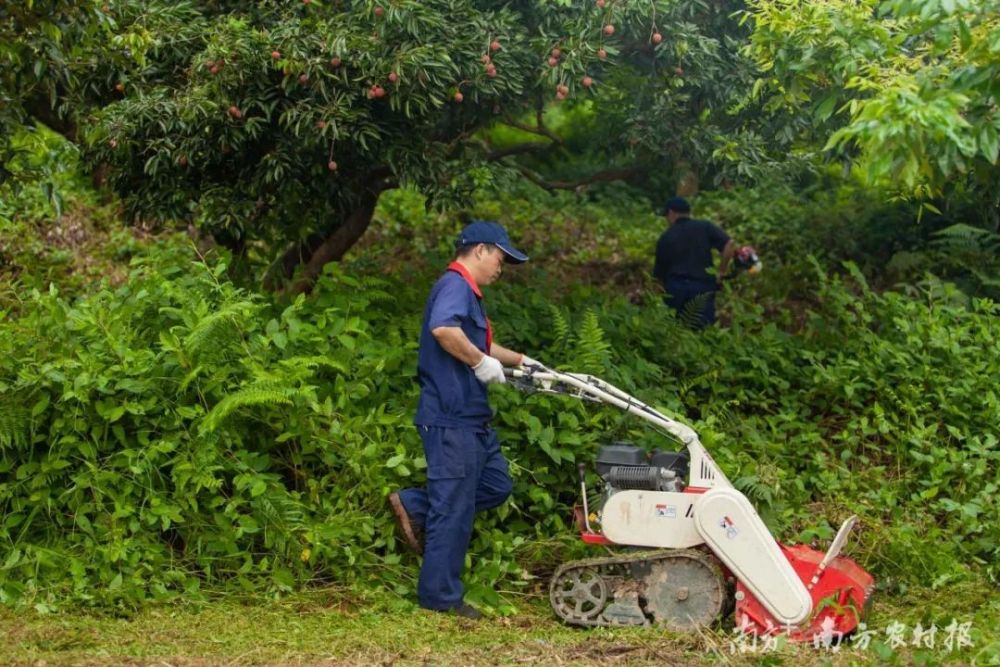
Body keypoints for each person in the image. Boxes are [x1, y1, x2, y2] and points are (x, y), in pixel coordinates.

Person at [388, 220, 542, 620]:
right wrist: (479, 363)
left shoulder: (468, 294)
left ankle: (413, 503)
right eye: (500, 258)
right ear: (480, 250)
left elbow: (481, 342)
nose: (501, 267)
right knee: (453, 507)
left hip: (473, 419)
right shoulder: (454, 286)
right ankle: (440, 597)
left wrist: (521, 361)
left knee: (495, 485)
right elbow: (443, 330)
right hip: (451, 416)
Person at [652, 196, 736, 329]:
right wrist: (721, 271)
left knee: (673, 331)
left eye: (666, 216)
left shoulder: (665, 237)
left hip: (675, 288)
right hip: (702, 287)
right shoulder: (704, 227)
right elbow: (729, 244)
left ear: (671, 213)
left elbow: (659, 277)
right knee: (703, 332)